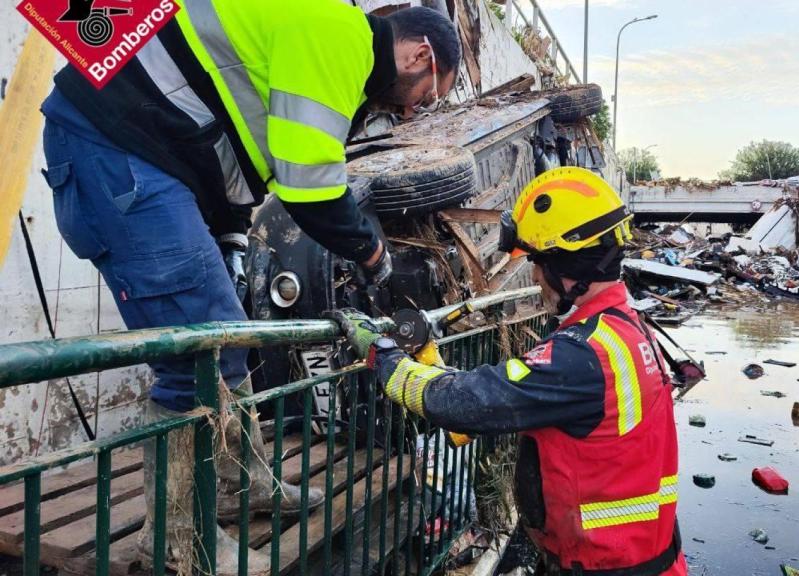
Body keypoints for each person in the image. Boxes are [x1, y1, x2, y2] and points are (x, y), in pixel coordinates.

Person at [39, 2, 461, 573]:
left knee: (227, 332)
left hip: (150, 151)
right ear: (420, 55)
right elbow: (310, 186)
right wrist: (372, 251)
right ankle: (176, 540)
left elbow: (239, 148)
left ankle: (238, 488)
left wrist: (232, 236)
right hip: (114, 144)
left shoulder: (324, 47)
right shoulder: (339, 37)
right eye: (427, 94)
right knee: (201, 349)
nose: (415, 108)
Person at [338, 167, 688, 576]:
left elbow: (463, 404)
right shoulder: (625, 328)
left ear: (566, 262)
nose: (535, 276)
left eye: (538, 261)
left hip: (608, 567)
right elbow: (499, 404)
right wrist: (431, 362)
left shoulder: (584, 356)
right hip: (639, 558)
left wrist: (386, 359)